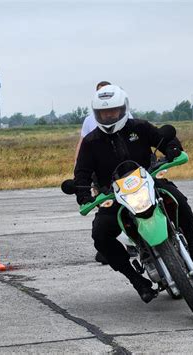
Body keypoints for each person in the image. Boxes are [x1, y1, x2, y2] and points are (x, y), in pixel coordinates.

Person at [74, 85, 193, 303]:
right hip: (115, 196)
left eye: (113, 111)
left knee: (180, 202)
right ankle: (137, 281)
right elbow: (81, 173)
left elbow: (163, 138)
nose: (109, 115)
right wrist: (83, 195)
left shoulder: (139, 127)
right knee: (100, 235)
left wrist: (173, 149)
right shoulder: (91, 142)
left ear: (123, 109)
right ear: (96, 114)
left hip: (149, 182)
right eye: (103, 113)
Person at [75, 81, 134, 265]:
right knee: (105, 206)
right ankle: (110, 248)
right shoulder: (89, 120)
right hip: (100, 170)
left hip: (125, 168)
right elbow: (83, 142)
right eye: (100, 93)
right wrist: (78, 166)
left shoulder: (125, 115)